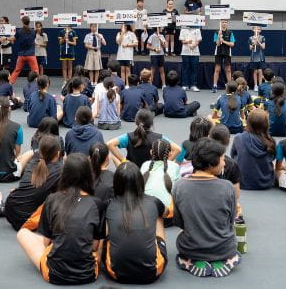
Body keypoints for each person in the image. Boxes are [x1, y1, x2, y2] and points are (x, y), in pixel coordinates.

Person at [16, 153, 105, 285]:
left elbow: (46, 243)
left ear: (65, 173)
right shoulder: (97, 203)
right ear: (88, 175)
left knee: (23, 233)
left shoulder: (52, 199)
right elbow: (95, 246)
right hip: (88, 274)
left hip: (54, 274)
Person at [173, 138, 239, 278]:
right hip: (224, 249)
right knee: (234, 245)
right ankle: (224, 260)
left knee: (181, 236)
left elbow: (179, 222)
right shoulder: (227, 187)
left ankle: (190, 261)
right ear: (210, 164)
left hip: (190, 248)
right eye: (222, 159)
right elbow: (230, 221)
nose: (224, 162)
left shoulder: (179, 186)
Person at [103, 161, 168, 283]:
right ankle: (154, 249)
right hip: (152, 272)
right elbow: (167, 212)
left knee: (108, 222)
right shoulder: (153, 201)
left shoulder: (109, 204)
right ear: (140, 181)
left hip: (116, 273)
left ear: (116, 183)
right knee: (159, 216)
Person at [1, 135, 63, 230]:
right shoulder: (60, 170)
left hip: (11, 210)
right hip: (29, 219)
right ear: (58, 154)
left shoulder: (31, 163)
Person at [107, 109, 179, 167]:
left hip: (133, 171)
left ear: (136, 121)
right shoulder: (159, 137)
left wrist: (123, 160)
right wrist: (165, 163)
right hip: (151, 171)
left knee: (114, 157)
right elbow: (177, 149)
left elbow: (110, 144)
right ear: (151, 123)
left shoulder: (128, 136)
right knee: (174, 160)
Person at [232, 109, 276, 190]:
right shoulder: (270, 141)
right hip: (266, 182)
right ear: (266, 124)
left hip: (242, 182)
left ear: (248, 122)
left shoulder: (238, 138)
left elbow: (233, 155)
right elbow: (272, 158)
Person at [10, 16, 39, 84]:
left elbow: (13, 39)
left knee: (17, 70)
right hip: (31, 55)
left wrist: (6, 38)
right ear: (29, 22)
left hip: (21, 55)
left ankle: (10, 83)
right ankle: (39, 85)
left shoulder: (19, 31)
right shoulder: (33, 32)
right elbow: (33, 39)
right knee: (35, 71)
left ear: (22, 22)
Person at [212, 19, 234, 93]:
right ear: (220, 23)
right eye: (222, 22)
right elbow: (217, 44)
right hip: (218, 52)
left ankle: (230, 86)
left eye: (225, 22)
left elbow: (232, 44)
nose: (224, 23)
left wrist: (223, 41)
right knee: (217, 69)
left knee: (228, 70)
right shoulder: (216, 32)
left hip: (227, 52)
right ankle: (215, 86)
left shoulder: (230, 32)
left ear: (227, 23)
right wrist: (219, 36)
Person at [179, 25, 202, 92]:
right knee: (185, 69)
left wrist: (193, 45)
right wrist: (188, 42)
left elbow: (198, 40)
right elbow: (182, 41)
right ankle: (185, 85)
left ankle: (193, 85)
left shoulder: (197, 29)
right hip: (185, 52)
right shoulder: (183, 29)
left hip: (195, 52)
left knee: (194, 69)